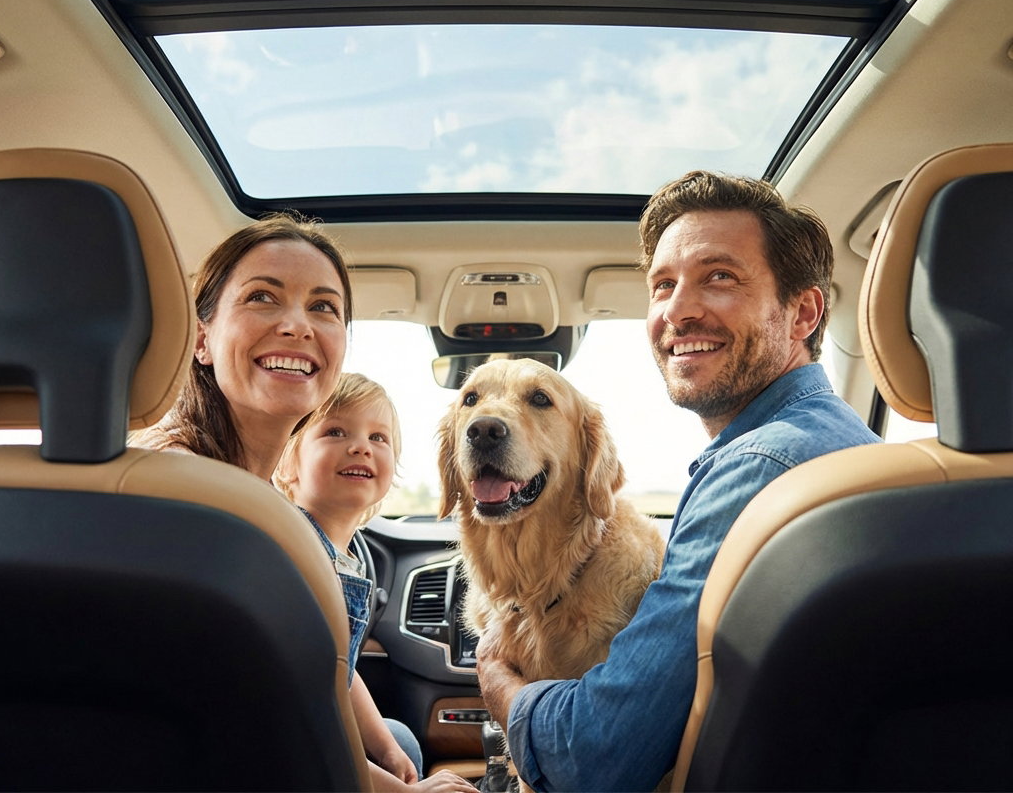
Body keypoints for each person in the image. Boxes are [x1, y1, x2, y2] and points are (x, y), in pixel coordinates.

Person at [476, 169, 882, 792]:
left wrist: (500, 683)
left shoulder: (760, 471)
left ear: (802, 312)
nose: (678, 310)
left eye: (720, 277)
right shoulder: (850, 446)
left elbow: (596, 758)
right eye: (663, 285)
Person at [274, 373, 478, 793]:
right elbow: (309, 723)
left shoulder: (343, 557)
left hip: (310, 733)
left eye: (379, 438)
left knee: (400, 741)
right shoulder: (294, 559)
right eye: (335, 432)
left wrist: (384, 747)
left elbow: (340, 673)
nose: (361, 447)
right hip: (291, 746)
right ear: (287, 465)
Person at [133, 211, 352, 481]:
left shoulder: (240, 489)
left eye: (323, 306)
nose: (298, 326)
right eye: (261, 297)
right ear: (201, 340)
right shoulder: (172, 481)